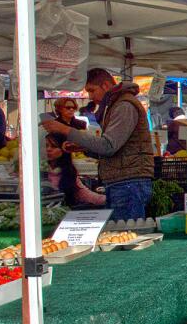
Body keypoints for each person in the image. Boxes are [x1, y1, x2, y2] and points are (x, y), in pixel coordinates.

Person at [42, 68, 153, 220]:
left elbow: (108, 146)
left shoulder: (124, 106)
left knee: (124, 235)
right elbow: (112, 148)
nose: (90, 96)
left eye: (92, 90)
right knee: (119, 234)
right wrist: (83, 147)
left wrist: (66, 130)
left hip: (128, 183)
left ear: (106, 86)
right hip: (122, 182)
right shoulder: (115, 106)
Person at [44, 133, 105, 208]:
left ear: (64, 150)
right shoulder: (37, 170)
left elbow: (83, 193)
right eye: (46, 146)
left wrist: (109, 199)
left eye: (54, 146)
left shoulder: (68, 171)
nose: (48, 149)